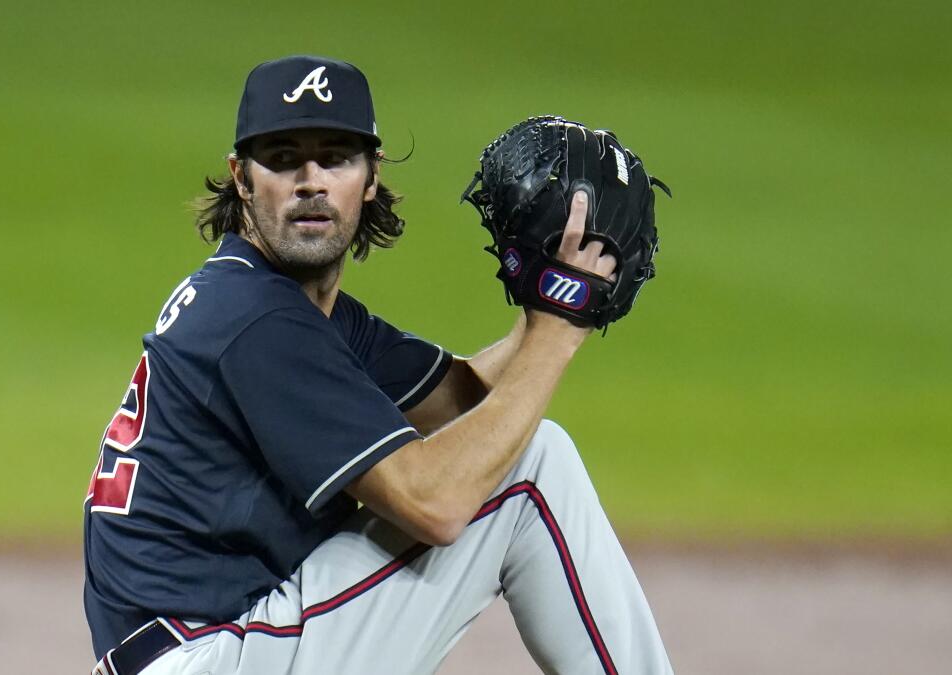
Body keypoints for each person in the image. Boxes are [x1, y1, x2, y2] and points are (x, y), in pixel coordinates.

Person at [83, 55, 674, 675]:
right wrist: (562, 326)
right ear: (241, 177)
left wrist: (548, 303)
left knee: (513, 455)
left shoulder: (291, 310)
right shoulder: (257, 320)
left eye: (335, 158)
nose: (310, 181)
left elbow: (467, 403)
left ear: (369, 176)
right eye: (283, 158)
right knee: (534, 469)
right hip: (205, 656)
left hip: (215, 648)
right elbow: (437, 503)